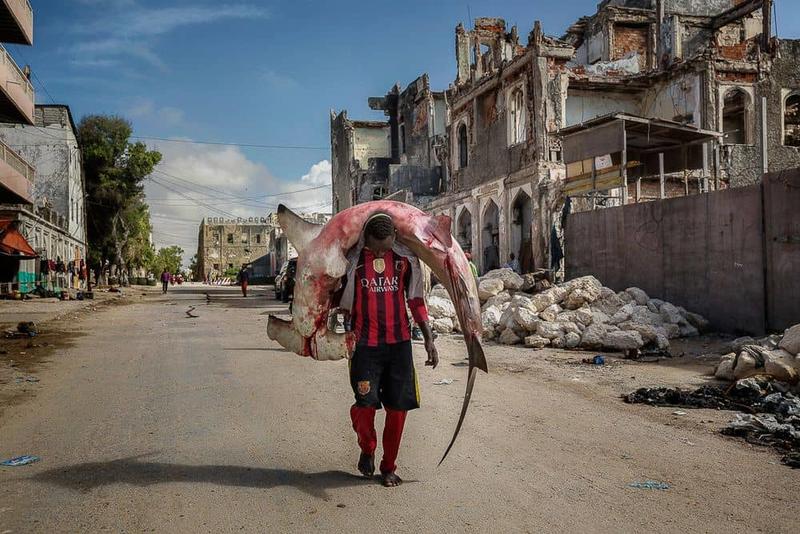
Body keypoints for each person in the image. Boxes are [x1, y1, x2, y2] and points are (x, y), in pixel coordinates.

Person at [338, 213, 438, 487]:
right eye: (375, 247)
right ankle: (367, 447)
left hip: (399, 346)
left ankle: (389, 466)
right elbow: (341, 299)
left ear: (395, 237)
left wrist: (428, 338)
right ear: (365, 240)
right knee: (364, 407)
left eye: (386, 245)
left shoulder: (406, 261)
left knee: (398, 410)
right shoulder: (354, 262)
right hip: (365, 346)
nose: (381, 252)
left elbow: (416, 299)